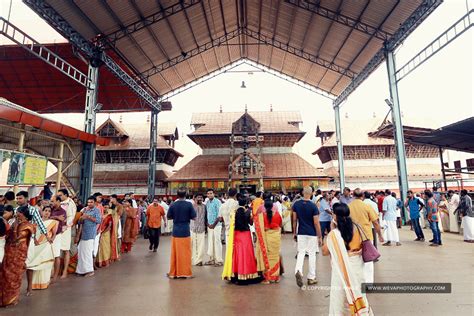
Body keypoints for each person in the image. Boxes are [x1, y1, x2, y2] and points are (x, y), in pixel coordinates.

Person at [322, 203, 373, 315]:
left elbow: (324, 251)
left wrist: (331, 230)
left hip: (341, 269)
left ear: (335, 216)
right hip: (357, 266)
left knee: (340, 297)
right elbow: (362, 245)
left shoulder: (334, 234)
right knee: (358, 292)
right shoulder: (358, 227)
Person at [0, 205, 35, 307]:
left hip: (18, 255)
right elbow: (7, 236)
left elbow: (16, 239)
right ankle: (4, 299)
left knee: (14, 277)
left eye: (18, 212)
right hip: (9, 253)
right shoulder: (15, 223)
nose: (16, 214)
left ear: (22, 213)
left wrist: (14, 227)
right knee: (5, 276)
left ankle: (12, 299)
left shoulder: (28, 226)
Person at [222, 195, 260, 284]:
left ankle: (236, 274)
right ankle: (247, 274)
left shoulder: (234, 212)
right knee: (246, 254)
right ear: (246, 203)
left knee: (237, 254)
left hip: (237, 235)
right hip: (246, 235)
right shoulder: (248, 212)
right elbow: (251, 223)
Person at [349, 188, 384, 283]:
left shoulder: (348, 207)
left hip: (353, 237)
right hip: (366, 237)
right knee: (368, 261)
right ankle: (368, 283)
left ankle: (358, 281)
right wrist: (380, 235)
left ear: (353, 195)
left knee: (356, 260)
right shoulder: (367, 206)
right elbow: (375, 223)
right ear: (362, 196)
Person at [292, 186, 322, 287]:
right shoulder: (313, 206)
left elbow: (295, 220)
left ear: (302, 193)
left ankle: (298, 271)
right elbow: (316, 223)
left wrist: (294, 233)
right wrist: (320, 236)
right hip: (312, 233)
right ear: (311, 193)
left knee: (301, 252)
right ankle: (311, 277)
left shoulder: (296, 204)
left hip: (301, 232)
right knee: (312, 254)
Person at [26, 206, 58, 293]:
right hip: (35, 244)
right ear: (42, 212)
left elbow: (54, 233)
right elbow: (32, 231)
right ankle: (33, 284)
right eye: (45, 210)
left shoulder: (53, 222)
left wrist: (51, 240)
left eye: (49, 211)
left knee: (43, 263)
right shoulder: (36, 221)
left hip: (45, 245)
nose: (47, 212)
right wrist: (35, 240)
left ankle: (43, 283)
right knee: (33, 262)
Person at [167, 188, 196, 279]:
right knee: (186, 253)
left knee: (175, 253)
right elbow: (194, 217)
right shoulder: (189, 205)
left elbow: (168, 217)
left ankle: (174, 273)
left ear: (177, 195)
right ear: (186, 194)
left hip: (176, 231)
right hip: (185, 230)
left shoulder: (173, 205)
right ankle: (185, 273)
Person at [255, 193, 282, 284]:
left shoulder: (262, 215)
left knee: (266, 257)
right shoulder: (277, 214)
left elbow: (256, 222)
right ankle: (276, 277)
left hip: (266, 237)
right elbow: (280, 224)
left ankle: (267, 278)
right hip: (275, 237)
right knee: (275, 256)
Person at [76, 196, 101, 277]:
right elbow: (79, 221)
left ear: (94, 203)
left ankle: (90, 271)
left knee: (87, 253)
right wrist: (81, 218)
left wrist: (88, 217)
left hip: (90, 234)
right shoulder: (85, 210)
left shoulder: (96, 210)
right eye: (88, 202)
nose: (89, 204)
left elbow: (98, 220)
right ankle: (81, 271)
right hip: (83, 233)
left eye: (91, 202)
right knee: (81, 252)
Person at [57, 189, 77, 279]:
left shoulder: (71, 203)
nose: (59, 197)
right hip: (57, 229)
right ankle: (57, 270)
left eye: (60, 195)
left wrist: (64, 227)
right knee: (57, 250)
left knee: (66, 250)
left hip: (66, 229)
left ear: (65, 195)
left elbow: (71, 217)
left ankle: (65, 271)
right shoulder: (59, 202)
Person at [49, 196, 67, 282]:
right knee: (48, 255)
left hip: (57, 235)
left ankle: (55, 276)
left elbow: (61, 221)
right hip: (47, 235)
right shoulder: (50, 209)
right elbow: (46, 217)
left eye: (53, 201)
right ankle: (49, 274)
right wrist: (56, 217)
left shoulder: (63, 211)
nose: (51, 203)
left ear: (58, 201)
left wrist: (53, 217)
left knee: (56, 256)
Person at [205, 188, 223, 267]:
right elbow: (207, 214)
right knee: (210, 242)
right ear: (207, 195)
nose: (210, 195)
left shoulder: (217, 202)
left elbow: (219, 215)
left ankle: (219, 260)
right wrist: (208, 224)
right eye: (208, 193)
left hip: (217, 225)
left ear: (214, 194)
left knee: (217, 242)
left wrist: (213, 225)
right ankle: (211, 259)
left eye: (211, 193)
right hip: (210, 225)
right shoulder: (208, 202)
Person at [191, 193, 206, 266]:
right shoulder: (191, 206)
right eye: (198, 197)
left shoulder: (204, 206)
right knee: (193, 245)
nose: (200, 199)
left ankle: (199, 260)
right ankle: (194, 259)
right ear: (195, 198)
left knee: (201, 245)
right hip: (193, 228)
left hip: (201, 228)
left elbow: (205, 217)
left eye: (201, 197)